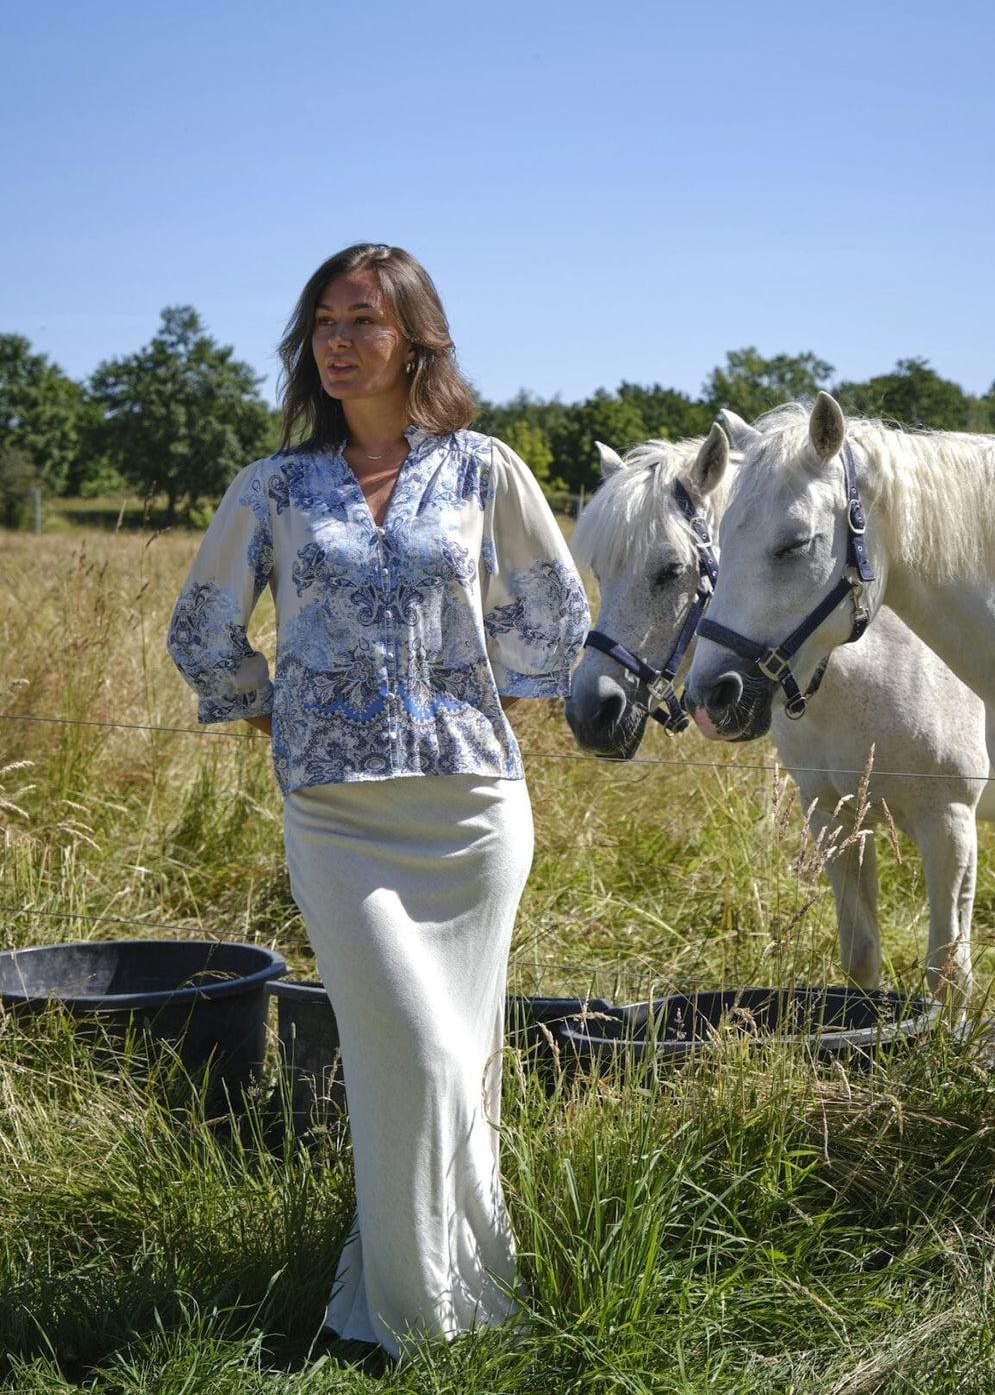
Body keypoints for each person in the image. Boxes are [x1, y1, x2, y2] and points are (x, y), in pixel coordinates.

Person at [167, 243, 589, 1360]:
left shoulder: (485, 470)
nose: (339, 341)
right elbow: (202, 628)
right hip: (340, 818)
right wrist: (278, 716)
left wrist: (482, 696)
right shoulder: (274, 488)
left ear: (415, 339)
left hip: (471, 811)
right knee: (420, 1055)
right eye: (324, 323)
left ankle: (436, 1302)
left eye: (363, 319)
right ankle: (424, 1320)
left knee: (459, 1066)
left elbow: (555, 610)